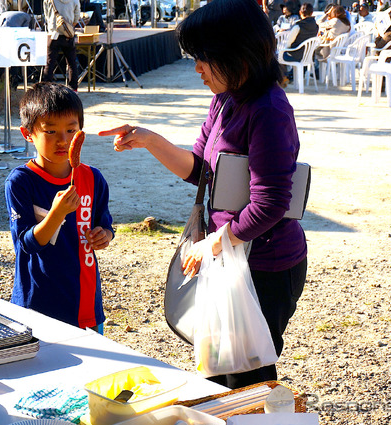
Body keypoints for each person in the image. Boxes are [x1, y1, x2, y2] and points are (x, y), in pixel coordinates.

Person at [100, 0, 307, 389]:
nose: (196, 68)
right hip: (230, 255)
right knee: (220, 368)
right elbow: (200, 169)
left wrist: (214, 242)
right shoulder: (226, 98)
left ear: (237, 54)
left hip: (264, 264)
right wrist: (149, 140)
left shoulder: (269, 110)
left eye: (203, 58)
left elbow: (271, 202)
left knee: (246, 374)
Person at [5, 82, 114, 332]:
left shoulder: (92, 178)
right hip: (38, 303)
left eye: (71, 130)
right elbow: (26, 244)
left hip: (86, 304)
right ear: (28, 133)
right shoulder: (21, 181)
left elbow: (105, 223)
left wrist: (104, 235)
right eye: (51, 131)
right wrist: (57, 214)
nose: (63, 140)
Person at [42, 0, 81, 91]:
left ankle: (47, 88)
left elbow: (47, 16)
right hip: (68, 34)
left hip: (53, 34)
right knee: (72, 63)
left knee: (49, 63)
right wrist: (68, 26)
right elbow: (76, 17)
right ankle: (73, 88)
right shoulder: (75, 0)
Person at [281, 2, 319, 82]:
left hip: (295, 55)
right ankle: (290, 76)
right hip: (308, 56)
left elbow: (288, 44)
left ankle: (284, 78)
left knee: (278, 55)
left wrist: (283, 50)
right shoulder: (316, 26)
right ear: (312, 13)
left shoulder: (298, 26)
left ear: (300, 12)